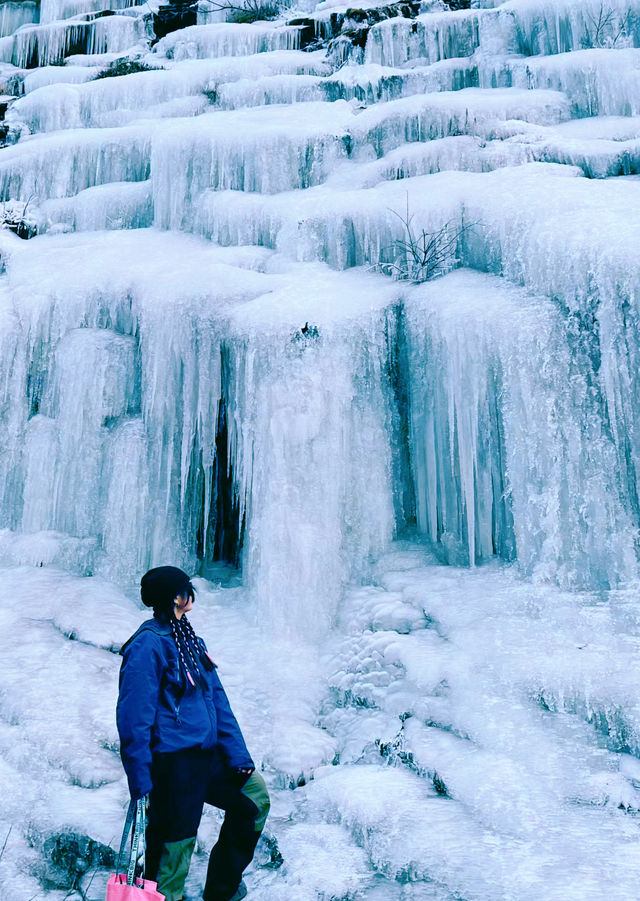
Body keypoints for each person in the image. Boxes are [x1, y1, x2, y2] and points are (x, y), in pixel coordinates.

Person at [116, 566, 270, 901]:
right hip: (174, 764)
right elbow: (133, 719)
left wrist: (239, 758)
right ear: (175, 597)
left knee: (254, 800)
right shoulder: (147, 646)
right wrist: (140, 780)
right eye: (187, 590)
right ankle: (168, 896)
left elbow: (218, 700)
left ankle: (223, 889)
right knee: (176, 844)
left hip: (208, 756)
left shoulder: (189, 638)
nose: (191, 595)